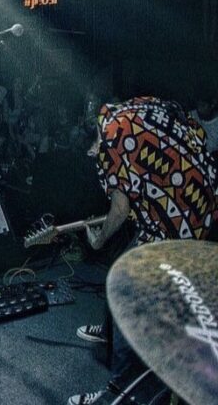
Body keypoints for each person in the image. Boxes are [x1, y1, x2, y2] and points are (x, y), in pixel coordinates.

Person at [68, 97, 217, 405]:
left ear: (92, 146)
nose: (93, 156)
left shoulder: (109, 146)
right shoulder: (120, 112)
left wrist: (98, 241)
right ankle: (111, 334)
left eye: (91, 152)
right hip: (200, 198)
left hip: (176, 220)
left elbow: (120, 209)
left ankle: (118, 393)